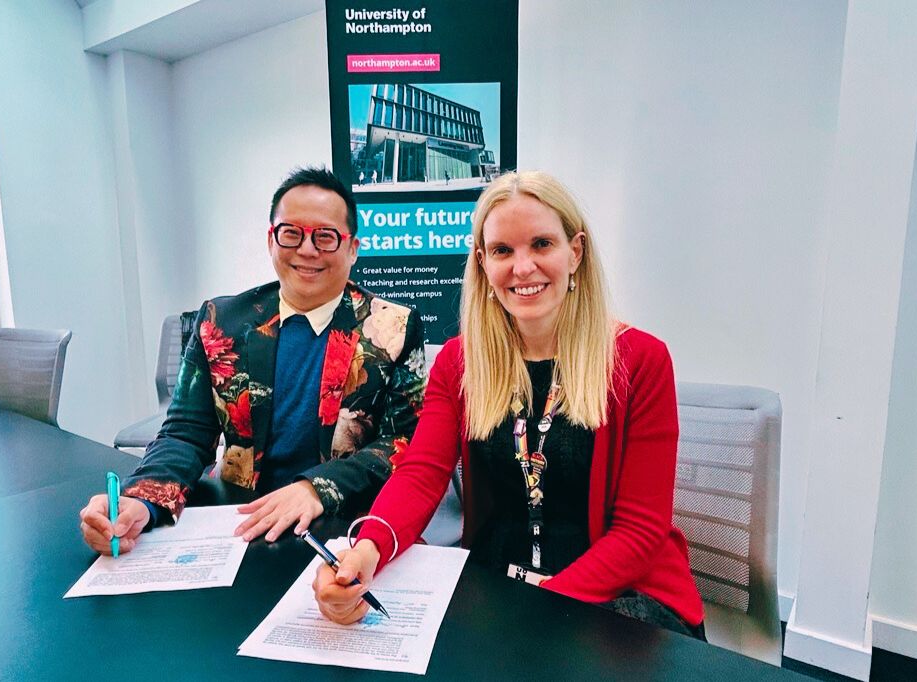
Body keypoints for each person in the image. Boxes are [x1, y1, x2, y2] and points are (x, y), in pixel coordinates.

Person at [312, 171, 705, 638]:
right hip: (498, 588)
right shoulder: (459, 362)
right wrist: (366, 549)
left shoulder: (639, 360)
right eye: (503, 250)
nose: (523, 268)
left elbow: (641, 530)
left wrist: (541, 605)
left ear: (574, 252)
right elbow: (421, 474)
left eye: (541, 244)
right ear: (482, 262)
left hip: (614, 595)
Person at [80, 167, 427, 554]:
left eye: (326, 237)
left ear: (353, 248)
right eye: (291, 233)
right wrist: (141, 500)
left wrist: (316, 487)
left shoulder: (394, 328)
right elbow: (185, 434)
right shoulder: (221, 321)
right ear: (271, 240)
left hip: (343, 528)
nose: (307, 250)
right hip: (241, 526)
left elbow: (402, 444)